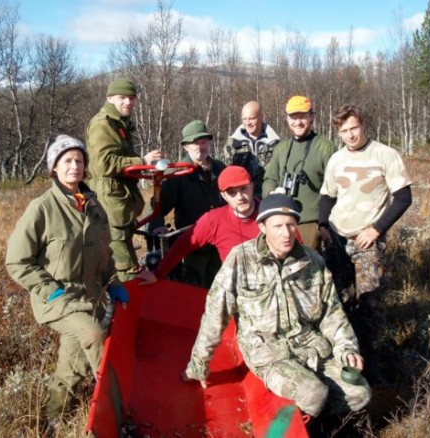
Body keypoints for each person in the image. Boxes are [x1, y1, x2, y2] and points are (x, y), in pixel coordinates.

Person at [182, 194, 371, 419]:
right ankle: (300, 420)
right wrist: (198, 363)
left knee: (360, 393)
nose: (286, 233)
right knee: (313, 393)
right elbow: (215, 314)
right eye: (278, 226)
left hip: (310, 346)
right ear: (262, 226)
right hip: (268, 352)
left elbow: (332, 313)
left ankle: (315, 421)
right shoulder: (241, 259)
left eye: (291, 225)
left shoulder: (313, 262)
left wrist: (346, 348)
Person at [5, 135, 129, 434]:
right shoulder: (42, 208)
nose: (75, 166)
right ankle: (117, 418)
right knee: (94, 334)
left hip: (92, 296)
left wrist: (113, 283)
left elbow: (105, 253)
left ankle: (53, 417)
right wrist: (52, 291)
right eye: (67, 161)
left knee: (73, 360)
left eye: (79, 161)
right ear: (55, 168)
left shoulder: (94, 205)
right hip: (58, 299)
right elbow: (17, 261)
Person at [319, 104, 412, 384]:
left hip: (367, 241)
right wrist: (323, 225)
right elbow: (327, 195)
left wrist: (376, 229)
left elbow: (404, 197)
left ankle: (370, 365)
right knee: (338, 301)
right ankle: (342, 361)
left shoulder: (384, 155)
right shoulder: (336, 159)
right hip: (337, 239)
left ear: (364, 125)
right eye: (344, 131)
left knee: (370, 304)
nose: (350, 135)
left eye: (354, 128)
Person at [85, 77, 164, 281]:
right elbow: (103, 163)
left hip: (121, 206)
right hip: (111, 208)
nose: (128, 102)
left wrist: (146, 168)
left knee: (128, 263)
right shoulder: (102, 125)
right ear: (110, 98)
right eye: (122, 98)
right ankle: (123, 310)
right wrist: (141, 161)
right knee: (125, 269)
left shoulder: (119, 123)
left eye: (131, 98)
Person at [138, 166, 262, 285]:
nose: (240, 197)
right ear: (223, 195)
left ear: (252, 186)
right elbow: (183, 245)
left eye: (243, 189)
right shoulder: (214, 220)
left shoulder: (270, 214)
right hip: (237, 288)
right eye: (232, 192)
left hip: (269, 285)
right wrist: (158, 274)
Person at [150, 120, 226, 288]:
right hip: (193, 247)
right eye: (194, 143)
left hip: (221, 246)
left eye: (204, 141)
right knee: (193, 296)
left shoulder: (220, 169)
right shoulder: (178, 174)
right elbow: (157, 205)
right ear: (185, 146)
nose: (200, 146)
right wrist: (158, 226)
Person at [262, 95, 336, 251]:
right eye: (293, 118)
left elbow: (334, 189)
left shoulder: (324, 148)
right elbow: (269, 178)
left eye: (302, 117)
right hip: (283, 221)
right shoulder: (281, 148)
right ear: (287, 120)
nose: (297, 122)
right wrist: (271, 193)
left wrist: (323, 224)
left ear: (311, 117)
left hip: (311, 224)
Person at [224, 101, 281, 197]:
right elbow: (227, 174)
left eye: (252, 118)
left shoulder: (275, 144)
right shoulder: (232, 144)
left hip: (268, 198)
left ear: (262, 117)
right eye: (244, 119)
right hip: (242, 198)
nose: (247, 123)